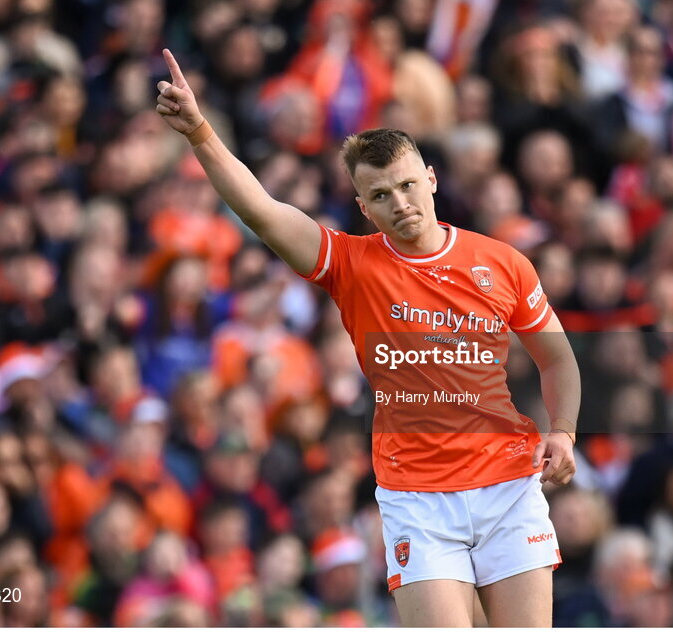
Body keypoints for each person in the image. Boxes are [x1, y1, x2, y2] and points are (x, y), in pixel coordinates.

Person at [155, 48, 580, 626]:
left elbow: (557, 359)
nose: (400, 204)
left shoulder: (501, 262)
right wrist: (200, 132)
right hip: (418, 499)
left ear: (430, 178)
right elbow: (261, 210)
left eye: (407, 185)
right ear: (363, 206)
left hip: (508, 485)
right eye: (381, 196)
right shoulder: (349, 264)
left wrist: (563, 431)